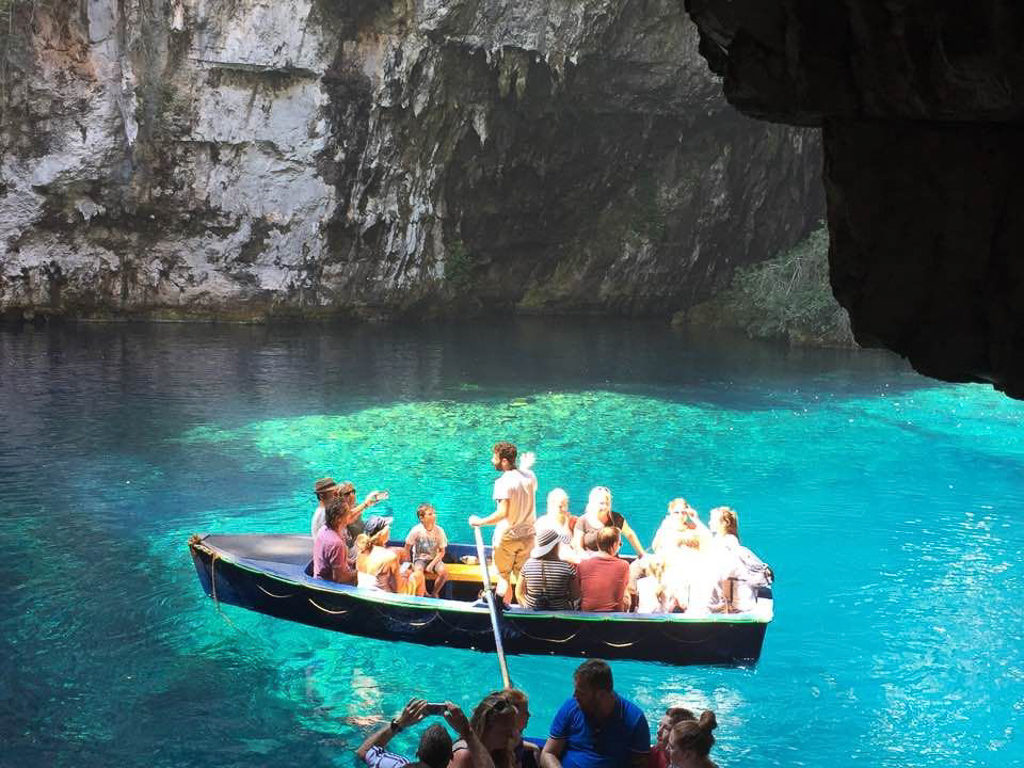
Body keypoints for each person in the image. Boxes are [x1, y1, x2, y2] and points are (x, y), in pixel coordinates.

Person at [541, 659, 650, 768]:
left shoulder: (634, 719)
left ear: (601, 695)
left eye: (581, 693)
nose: (575, 696)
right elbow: (548, 753)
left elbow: (640, 764)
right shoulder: (571, 707)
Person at [469, 442, 538, 606]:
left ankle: (502, 608)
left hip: (507, 538)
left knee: (503, 577)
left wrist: (479, 521)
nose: (493, 461)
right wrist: (525, 467)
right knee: (523, 578)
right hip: (528, 537)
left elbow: (502, 513)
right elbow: (525, 477)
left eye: (495, 457)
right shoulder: (530, 477)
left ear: (505, 461)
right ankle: (526, 612)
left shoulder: (502, 482)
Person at [355, 698, 495, 768]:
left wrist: (399, 723)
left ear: (417, 753)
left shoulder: (393, 764)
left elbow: (363, 752)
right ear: (450, 758)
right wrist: (468, 732)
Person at [706, 507, 773, 613]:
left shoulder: (726, 543)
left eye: (712, 520)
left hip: (732, 604)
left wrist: (726, 605)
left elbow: (726, 574)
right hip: (738, 599)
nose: (709, 522)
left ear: (724, 523)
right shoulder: (727, 541)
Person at [450, 692, 522, 768]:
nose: (511, 735)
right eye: (505, 731)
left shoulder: (500, 753)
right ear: (486, 727)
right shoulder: (465, 754)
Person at [516, 527, 580, 610]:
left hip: (532, 615)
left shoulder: (528, 565)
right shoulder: (567, 567)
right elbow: (575, 596)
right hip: (560, 616)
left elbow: (519, 593)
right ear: (555, 546)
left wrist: (527, 608)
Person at [572, 487, 645, 558]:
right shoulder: (583, 521)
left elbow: (630, 535)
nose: (605, 507)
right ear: (592, 503)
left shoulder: (616, 518)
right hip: (590, 562)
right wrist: (590, 560)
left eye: (608, 503)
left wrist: (642, 554)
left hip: (612, 562)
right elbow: (578, 547)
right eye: (601, 503)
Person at [577, 527, 629, 612]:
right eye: (620, 544)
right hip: (615, 618)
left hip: (587, 617)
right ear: (615, 544)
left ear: (598, 543)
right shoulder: (623, 565)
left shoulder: (582, 565)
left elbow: (578, 593)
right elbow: (625, 597)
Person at [404, 503, 449, 598]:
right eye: (430, 514)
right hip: (419, 559)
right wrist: (409, 562)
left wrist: (431, 565)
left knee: (444, 573)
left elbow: (442, 551)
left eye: (434, 513)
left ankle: (434, 593)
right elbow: (407, 548)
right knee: (418, 572)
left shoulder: (439, 531)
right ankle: (424, 592)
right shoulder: (416, 530)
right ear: (422, 518)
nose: (434, 516)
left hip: (435, 558)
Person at [312, 497, 356, 584]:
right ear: (338, 518)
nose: (350, 513)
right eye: (348, 512)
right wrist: (361, 573)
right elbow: (340, 579)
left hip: (319, 579)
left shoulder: (323, 529)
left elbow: (333, 559)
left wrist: (352, 562)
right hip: (329, 586)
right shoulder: (336, 544)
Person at [355, 516, 402, 592]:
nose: (389, 529)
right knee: (416, 576)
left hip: (362, 597)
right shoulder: (390, 557)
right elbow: (400, 591)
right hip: (383, 601)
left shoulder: (360, 553)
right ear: (381, 533)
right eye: (387, 527)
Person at [503, 687, 540, 768]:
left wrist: (535, 747)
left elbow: (519, 742)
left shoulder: (515, 734)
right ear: (514, 716)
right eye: (525, 712)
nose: (529, 715)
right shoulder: (504, 744)